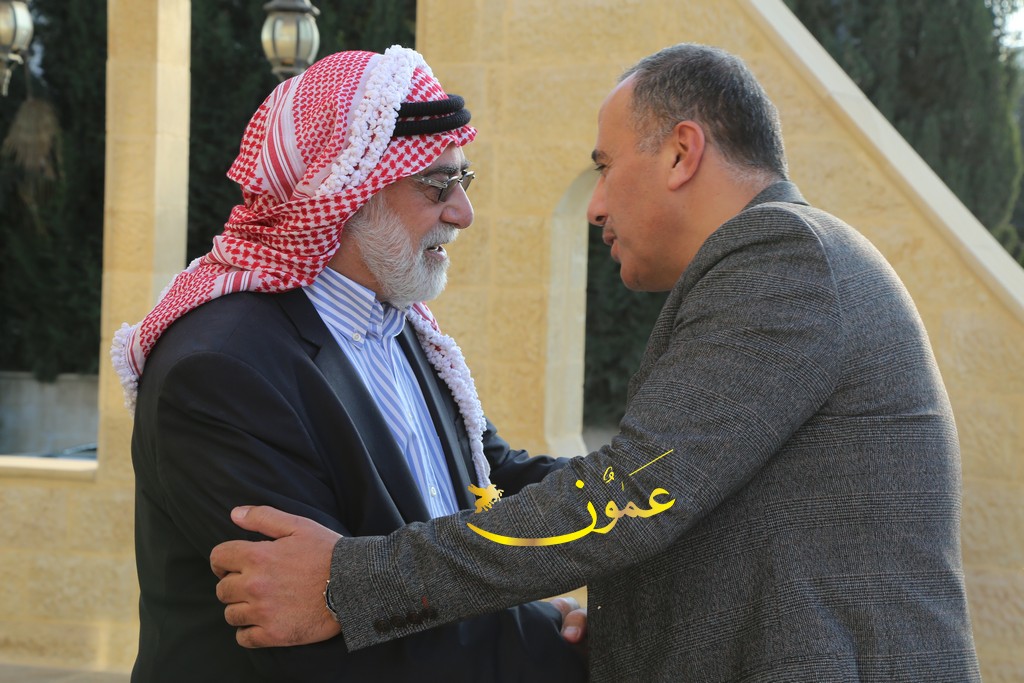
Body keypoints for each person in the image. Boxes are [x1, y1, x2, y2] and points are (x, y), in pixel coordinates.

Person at [210, 43, 983, 682]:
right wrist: (617, 619)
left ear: (682, 152)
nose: (595, 205)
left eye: (605, 166)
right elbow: (668, 494)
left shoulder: (783, 255)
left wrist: (353, 583)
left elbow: (634, 492)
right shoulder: (787, 260)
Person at [112, 46, 586, 683]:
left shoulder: (398, 323)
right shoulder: (222, 370)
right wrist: (569, 645)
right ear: (343, 191)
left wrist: (649, 494)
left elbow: (488, 477)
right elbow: (323, 632)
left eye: (463, 180)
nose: (462, 212)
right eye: (435, 184)